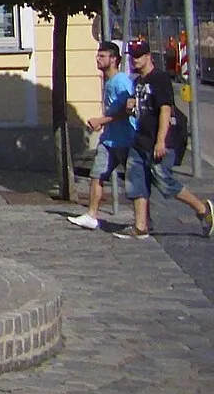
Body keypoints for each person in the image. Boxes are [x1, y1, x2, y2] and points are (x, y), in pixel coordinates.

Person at [117, 37, 214, 241]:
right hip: (141, 140)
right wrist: (130, 108)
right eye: (132, 56)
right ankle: (140, 226)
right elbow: (141, 111)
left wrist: (161, 141)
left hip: (160, 141)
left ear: (148, 57)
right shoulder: (139, 81)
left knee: (164, 181)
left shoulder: (159, 79)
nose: (134, 60)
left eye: (138, 56)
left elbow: (165, 110)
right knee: (136, 181)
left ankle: (203, 209)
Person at [67, 40, 134, 230]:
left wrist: (101, 121)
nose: (97, 59)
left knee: (144, 181)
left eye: (102, 56)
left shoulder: (121, 81)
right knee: (97, 175)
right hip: (109, 140)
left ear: (114, 59)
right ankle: (91, 215)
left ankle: (201, 208)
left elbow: (127, 110)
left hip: (126, 139)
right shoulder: (109, 81)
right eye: (98, 55)